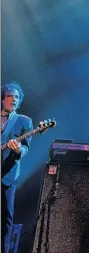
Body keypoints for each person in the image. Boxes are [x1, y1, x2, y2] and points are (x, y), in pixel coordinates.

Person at [1, 81, 33, 253]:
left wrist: (18, 148)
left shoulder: (24, 121)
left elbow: (25, 148)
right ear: (2, 99)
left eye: (17, 97)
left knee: (5, 219)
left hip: (7, 176)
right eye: (10, 96)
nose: (14, 99)